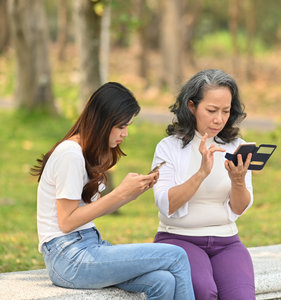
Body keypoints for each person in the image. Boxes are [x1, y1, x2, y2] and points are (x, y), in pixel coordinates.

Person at [31, 82, 195, 300]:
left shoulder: (87, 152)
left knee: (162, 281)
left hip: (88, 246)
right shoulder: (70, 154)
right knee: (176, 255)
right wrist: (119, 193)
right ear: (102, 121)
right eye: (121, 126)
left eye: (127, 126)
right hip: (68, 257)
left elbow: (89, 211)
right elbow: (67, 221)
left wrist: (130, 194)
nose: (125, 134)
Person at [151, 69, 256, 300]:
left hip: (227, 242)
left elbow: (239, 209)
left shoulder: (236, 146)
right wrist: (201, 172)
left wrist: (238, 181)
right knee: (204, 292)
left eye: (226, 111)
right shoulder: (168, 147)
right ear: (191, 106)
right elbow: (165, 204)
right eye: (211, 110)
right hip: (179, 239)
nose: (219, 119)